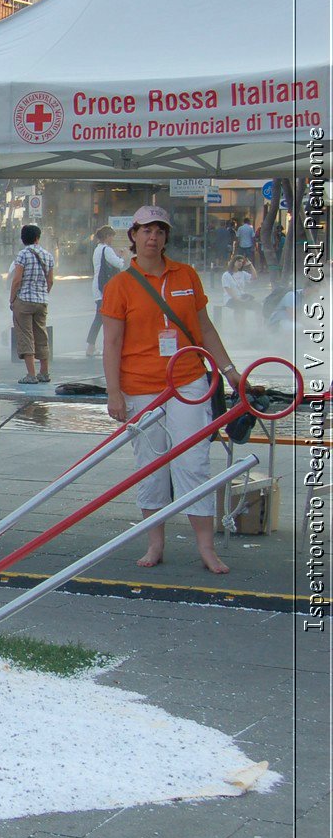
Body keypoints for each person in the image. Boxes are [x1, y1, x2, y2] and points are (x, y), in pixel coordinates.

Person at [100, 204, 242, 576]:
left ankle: (206, 547)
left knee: (193, 461)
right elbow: (111, 343)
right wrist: (113, 392)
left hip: (188, 382)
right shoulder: (120, 285)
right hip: (140, 386)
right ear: (132, 235)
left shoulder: (186, 275)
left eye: (160, 230)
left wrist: (230, 372)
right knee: (150, 466)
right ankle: (155, 541)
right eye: (146, 230)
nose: (153, 237)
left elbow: (205, 328)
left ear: (166, 237)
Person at [8, 224, 55, 384]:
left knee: (25, 335)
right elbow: (51, 280)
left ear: (23, 239)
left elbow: (17, 279)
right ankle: (44, 372)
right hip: (41, 301)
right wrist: (43, 293)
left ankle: (31, 374)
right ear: (37, 237)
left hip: (24, 300)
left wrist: (12, 298)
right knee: (41, 334)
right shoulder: (48, 255)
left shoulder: (22, 255)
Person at [86, 225, 125, 358]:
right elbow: (118, 264)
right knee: (102, 317)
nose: (112, 239)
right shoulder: (106, 249)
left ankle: (92, 346)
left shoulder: (98, 249)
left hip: (98, 285)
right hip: (104, 287)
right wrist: (123, 257)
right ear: (107, 236)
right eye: (112, 236)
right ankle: (91, 347)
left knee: (101, 317)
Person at [219, 255, 256, 326]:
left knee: (258, 306)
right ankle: (240, 328)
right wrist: (238, 299)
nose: (240, 263)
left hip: (242, 296)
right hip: (230, 298)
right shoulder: (226, 275)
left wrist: (250, 265)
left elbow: (254, 277)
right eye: (238, 261)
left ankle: (260, 328)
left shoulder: (242, 273)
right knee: (240, 307)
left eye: (242, 262)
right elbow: (228, 289)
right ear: (234, 262)